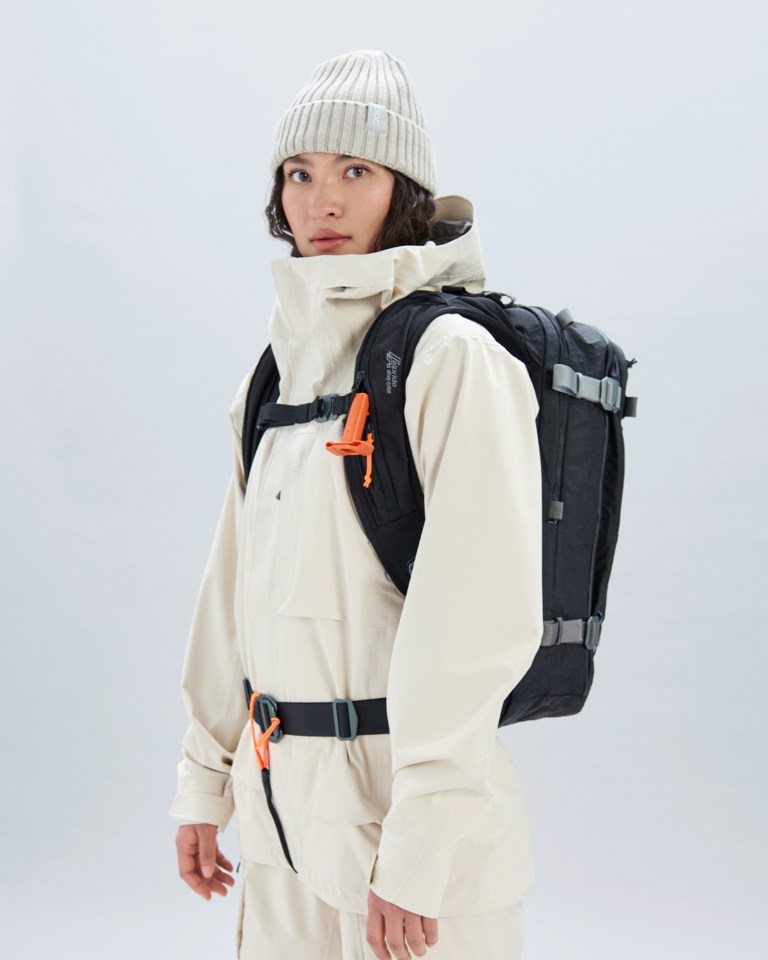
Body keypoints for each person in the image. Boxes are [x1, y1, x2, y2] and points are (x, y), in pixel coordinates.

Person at [170, 50, 543, 960]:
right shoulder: (275, 378)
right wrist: (205, 781)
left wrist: (420, 851)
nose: (321, 202)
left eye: (355, 172)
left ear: (402, 192)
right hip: (281, 830)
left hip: (406, 841)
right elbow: (231, 596)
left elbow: (477, 623)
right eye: (299, 174)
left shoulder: (452, 357)